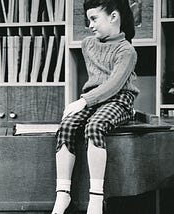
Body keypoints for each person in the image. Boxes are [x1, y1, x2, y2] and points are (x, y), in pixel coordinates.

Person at [51, 0, 139, 214]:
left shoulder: (127, 51)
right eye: (88, 19)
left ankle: (96, 198)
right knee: (67, 125)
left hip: (119, 98)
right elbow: (97, 80)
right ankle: (62, 194)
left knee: (95, 125)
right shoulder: (88, 44)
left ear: (114, 17)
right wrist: (86, 101)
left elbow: (113, 85)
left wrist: (83, 101)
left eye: (94, 18)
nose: (90, 25)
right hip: (93, 97)